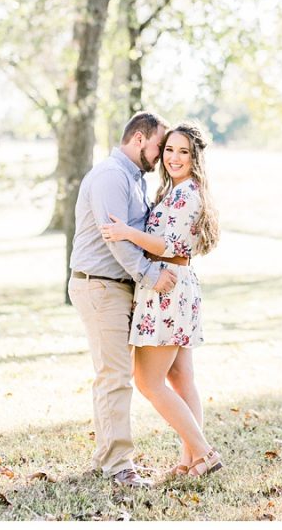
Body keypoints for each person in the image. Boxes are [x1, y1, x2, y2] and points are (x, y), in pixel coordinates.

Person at [100, 122, 222, 479]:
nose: (173, 157)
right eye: (169, 150)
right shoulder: (175, 192)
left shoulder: (187, 194)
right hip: (175, 286)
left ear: (195, 156)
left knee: (148, 382)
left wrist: (126, 233)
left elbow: (170, 245)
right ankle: (190, 462)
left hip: (167, 288)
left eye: (183, 151)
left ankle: (204, 452)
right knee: (182, 379)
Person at [68, 112, 177, 488]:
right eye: (159, 147)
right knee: (115, 377)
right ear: (139, 139)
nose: (162, 155)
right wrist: (151, 276)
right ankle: (119, 466)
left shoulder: (132, 179)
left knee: (111, 375)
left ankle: (106, 458)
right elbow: (117, 240)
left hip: (117, 287)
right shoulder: (112, 177)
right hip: (100, 285)